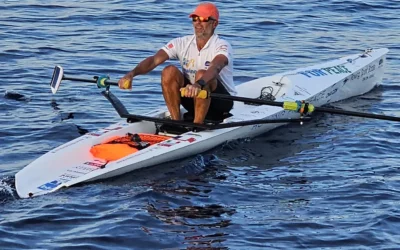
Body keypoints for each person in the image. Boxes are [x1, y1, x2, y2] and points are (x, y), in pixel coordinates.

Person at [118, 2, 236, 124]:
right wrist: (131, 74)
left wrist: (199, 84)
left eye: (203, 19)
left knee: (202, 74)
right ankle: (176, 123)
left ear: (214, 23)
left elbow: (216, 67)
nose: (198, 23)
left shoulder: (221, 45)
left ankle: (197, 125)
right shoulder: (182, 42)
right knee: (168, 71)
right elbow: (154, 60)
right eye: (195, 19)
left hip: (221, 102)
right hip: (193, 97)